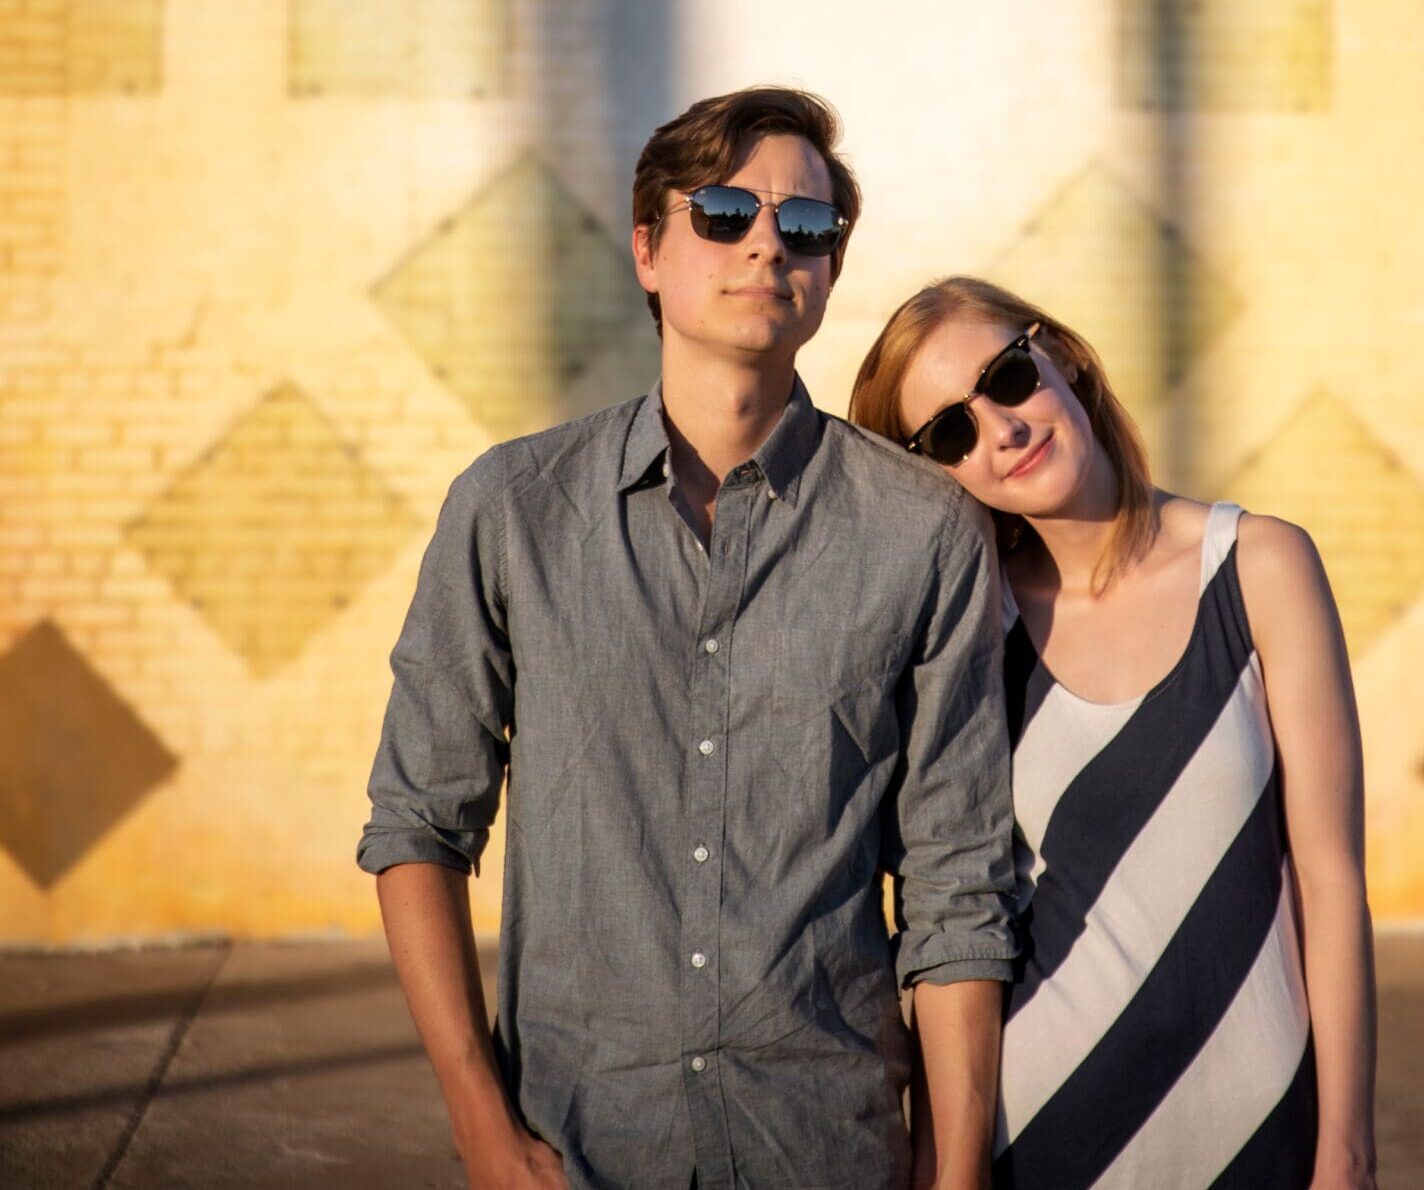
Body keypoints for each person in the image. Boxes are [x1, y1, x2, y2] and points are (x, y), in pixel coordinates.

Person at [358, 94, 1018, 1190]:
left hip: (826, 1141)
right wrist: (480, 1125)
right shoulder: (513, 508)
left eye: (805, 224)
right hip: (581, 1140)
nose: (766, 243)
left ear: (830, 270)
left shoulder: (925, 529)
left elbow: (956, 877)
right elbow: (418, 824)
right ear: (647, 252)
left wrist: (954, 1171)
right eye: (722, 213)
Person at [848, 277, 1379, 1190]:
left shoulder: (1259, 566)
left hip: (1264, 1136)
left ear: (1062, 358)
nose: (1001, 430)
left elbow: (1331, 880)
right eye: (950, 433)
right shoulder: (969, 634)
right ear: (933, 471)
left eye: (1008, 379)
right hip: (1041, 1139)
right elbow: (950, 921)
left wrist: (1348, 1150)